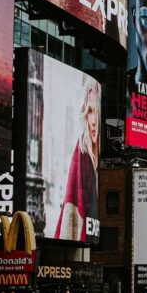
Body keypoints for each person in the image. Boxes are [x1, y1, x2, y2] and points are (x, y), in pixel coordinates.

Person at [55, 77, 101, 241]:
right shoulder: (81, 151)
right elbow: (72, 204)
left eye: (96, 112)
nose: (93, 121)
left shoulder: (98, 155)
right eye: (89, 112)